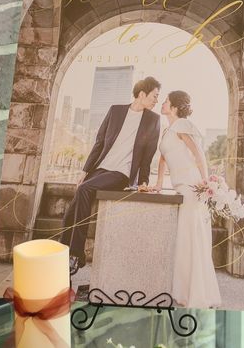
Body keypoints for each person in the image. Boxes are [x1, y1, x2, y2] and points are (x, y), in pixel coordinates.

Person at [61, 76, 161, 275]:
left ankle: (76, 254)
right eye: (154, 96)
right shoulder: (115, 111)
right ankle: (62, 258)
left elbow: (148, 156)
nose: (156, 100)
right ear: (142, 94)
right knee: (70, 213)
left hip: (121, 173)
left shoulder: (153, 120)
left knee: (84, 189)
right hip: (100, 169)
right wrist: (85, 171)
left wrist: (143, 182)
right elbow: (99, 142)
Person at [153, 90, 221, 308]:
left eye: (166, 101)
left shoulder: (182, 124)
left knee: (190, 236)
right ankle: (184, 291)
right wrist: (158, 183)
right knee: (184, 237)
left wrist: (206, 182)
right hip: (179, 186)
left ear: (174, 107)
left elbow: (198, 154)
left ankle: (196, 293)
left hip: (191, 185)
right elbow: (163, 159)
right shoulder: (167, 130)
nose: (162, 103)